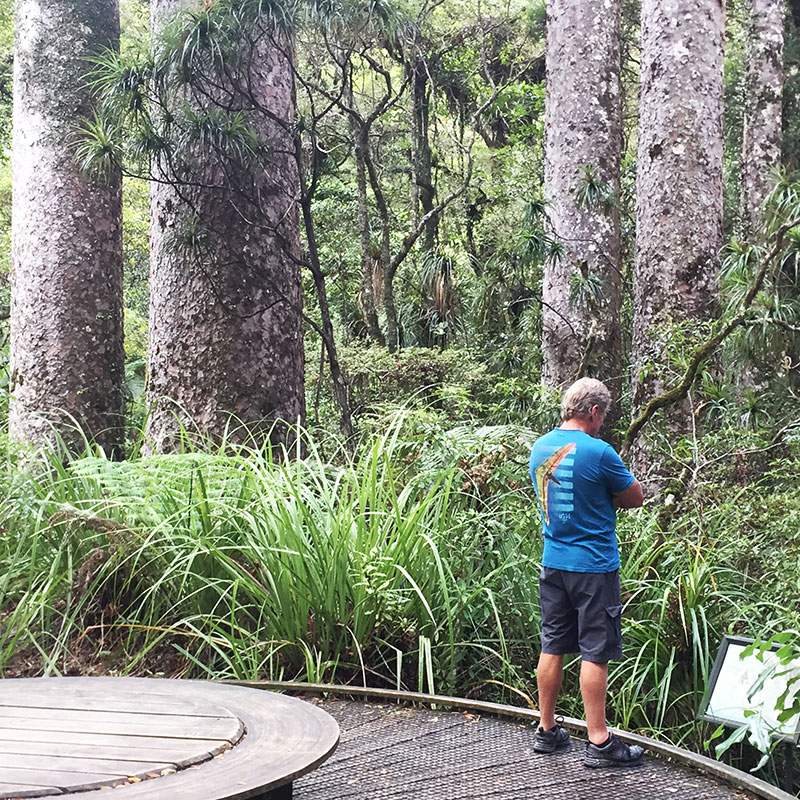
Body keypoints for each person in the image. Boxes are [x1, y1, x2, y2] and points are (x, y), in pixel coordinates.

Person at [528, 377, 644, 767]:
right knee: (595, 650)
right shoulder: (599, 451)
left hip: (553, 562)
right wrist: (607, 494)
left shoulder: (540, 447)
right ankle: (599, 741)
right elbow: (635, 497)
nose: (602, 424)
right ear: (593, 411)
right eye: (602, 417)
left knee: (553, 644)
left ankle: (546, 730)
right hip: (593, 567)